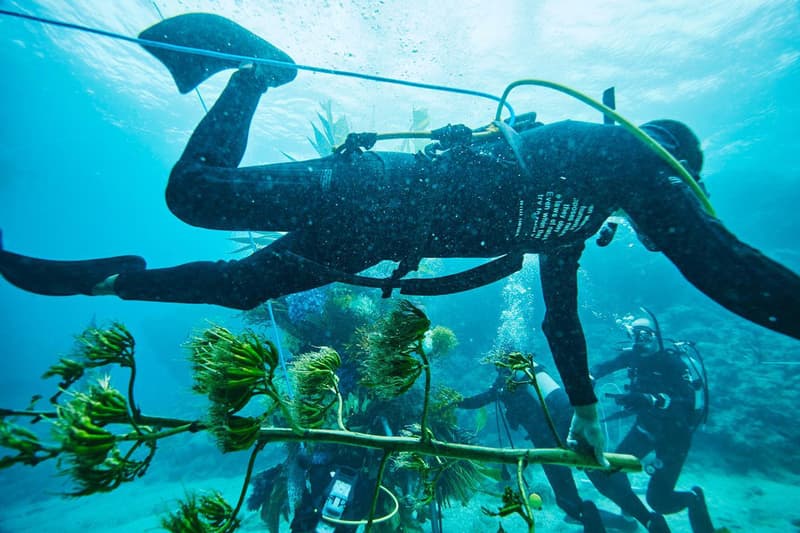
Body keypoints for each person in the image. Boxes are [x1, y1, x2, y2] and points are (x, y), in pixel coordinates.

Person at [2, 13, 800, 464]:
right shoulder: (621, 156)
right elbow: (720, 263)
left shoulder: (583, 212)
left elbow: (561, 323)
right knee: (195, 195)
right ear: (671, 167)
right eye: (681, 193)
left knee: (242, 284)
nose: (669, 217)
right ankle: (258, 74)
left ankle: (115, 280)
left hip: (376, 239)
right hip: (375, 187)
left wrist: (585, 420)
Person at [459, 359, 642, 533]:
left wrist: (455, 402)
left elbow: (480, 400)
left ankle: (589, 514)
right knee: (603, 480)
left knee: (566, 499)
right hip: (569, 426)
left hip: (546, 441)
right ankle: (643, 517)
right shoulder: (532, 373)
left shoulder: (504, 384)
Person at [586, 314, 716, 533]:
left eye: (645, 334)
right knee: (614, 472)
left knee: (659, 501)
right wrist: (590, 376)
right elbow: (606, 366)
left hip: (675, 437)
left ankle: (694, 500)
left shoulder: (673, 362)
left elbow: (685, 401)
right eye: (635, 335)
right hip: (646, 428)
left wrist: (652, 399)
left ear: (657, 336)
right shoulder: (634, 357)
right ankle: (631, 517)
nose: (640, 340)